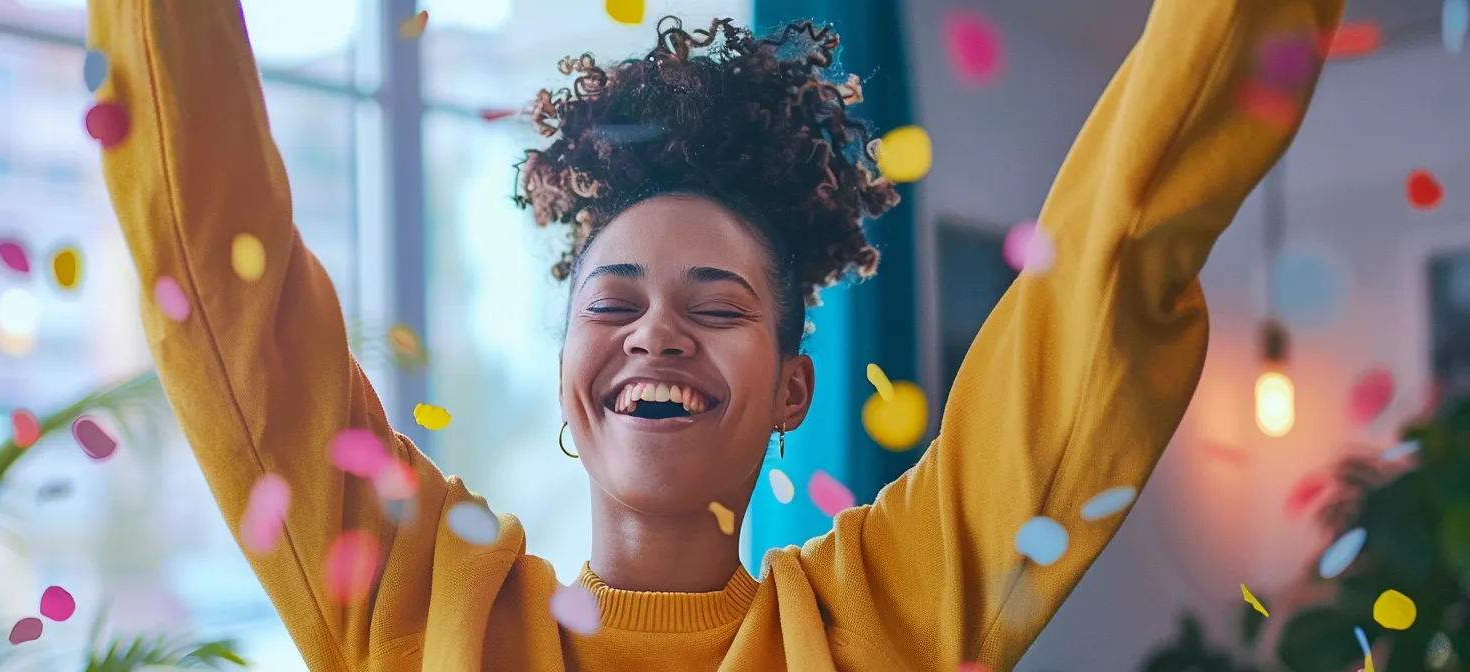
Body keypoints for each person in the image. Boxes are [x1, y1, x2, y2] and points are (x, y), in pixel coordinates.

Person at [88, 0, 1343, 668]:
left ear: (794, 383)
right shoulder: (415, 609)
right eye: (614, 301)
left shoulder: (883, 620)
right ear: (568, 367)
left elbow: (1112, 271)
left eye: (718, 306)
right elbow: (217, 271)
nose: (657, 336)